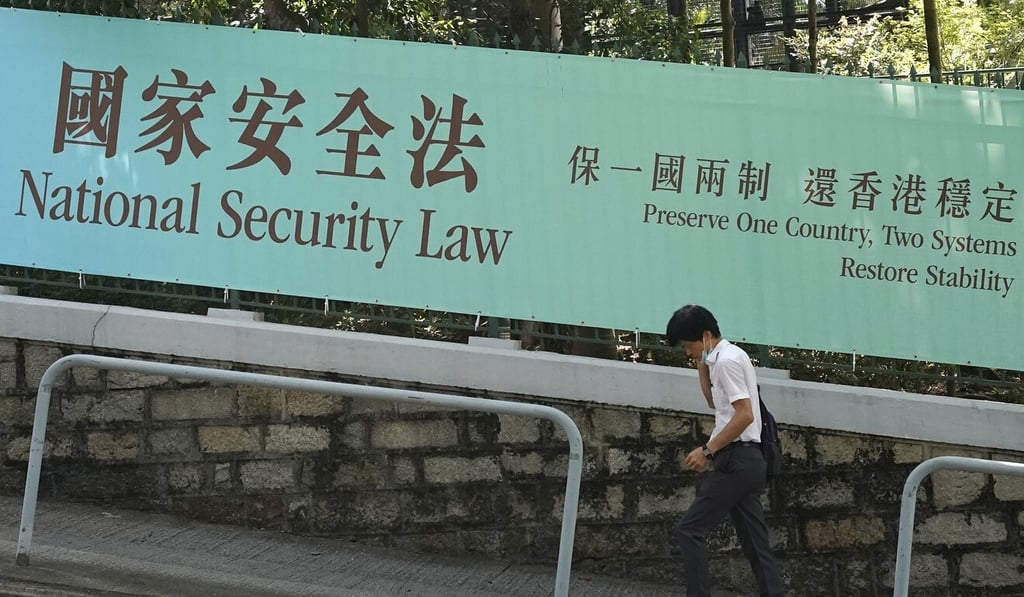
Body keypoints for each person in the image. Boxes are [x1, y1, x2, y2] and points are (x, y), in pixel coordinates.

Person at [665, 305, 784, 597]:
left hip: (737, 460)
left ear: (705, 335)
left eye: (687, 345)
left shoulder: (728, 361)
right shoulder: (724, 358)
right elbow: (713, 403)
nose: (687, 352)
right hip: (747, 461)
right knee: (756, 545)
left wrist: (707, 451)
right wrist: (702, 363)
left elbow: (744, 415)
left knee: (689, 530)